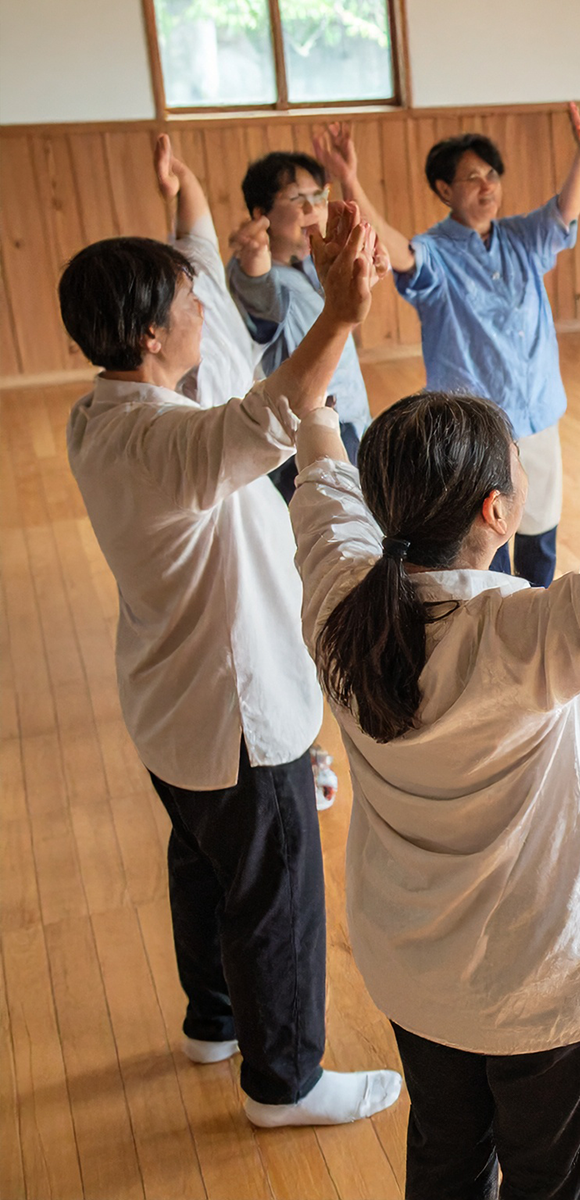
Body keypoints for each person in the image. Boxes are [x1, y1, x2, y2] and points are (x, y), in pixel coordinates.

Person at [288, 267, 580, 1200]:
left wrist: (335, 322)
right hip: (541, 982)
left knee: (447, 1161)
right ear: (499, 512)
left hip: (415, 970)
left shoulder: (339, 592)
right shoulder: (513, 638)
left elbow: (314, 438)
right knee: (552, 1182)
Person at [61, 146, 401, 1128]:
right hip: (237, 710)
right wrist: (338, 313)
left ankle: (213, 1019)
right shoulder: (161, 444)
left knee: (203, 863)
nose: (203, 305)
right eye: (186, 303)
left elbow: (199, 249)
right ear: (151, 335)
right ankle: (284, 1081)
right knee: (275, 887)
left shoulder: (106, 410)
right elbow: (271, 411)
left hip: (171, 712)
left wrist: (179, 187)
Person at [309, 105, 580, 587]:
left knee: (540, 529)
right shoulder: (437, 250)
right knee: (485, 540)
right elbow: (399, 251)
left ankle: (537, 610)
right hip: (474, 426)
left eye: (492, 175)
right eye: (472, 178)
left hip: (537, 412)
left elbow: (565, 210)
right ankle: (494, 621)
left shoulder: (521, 237)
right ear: (445, 190)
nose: (487, 186)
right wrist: (350, 182)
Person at [227, 149, 374, 497]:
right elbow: (259, 297)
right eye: (296, 198)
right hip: (305, 434)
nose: (313, 208)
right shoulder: (254, 272)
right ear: (261, 214)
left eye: (317, 196)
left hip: (349, 418)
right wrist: (254, 261)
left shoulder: (312, 265)